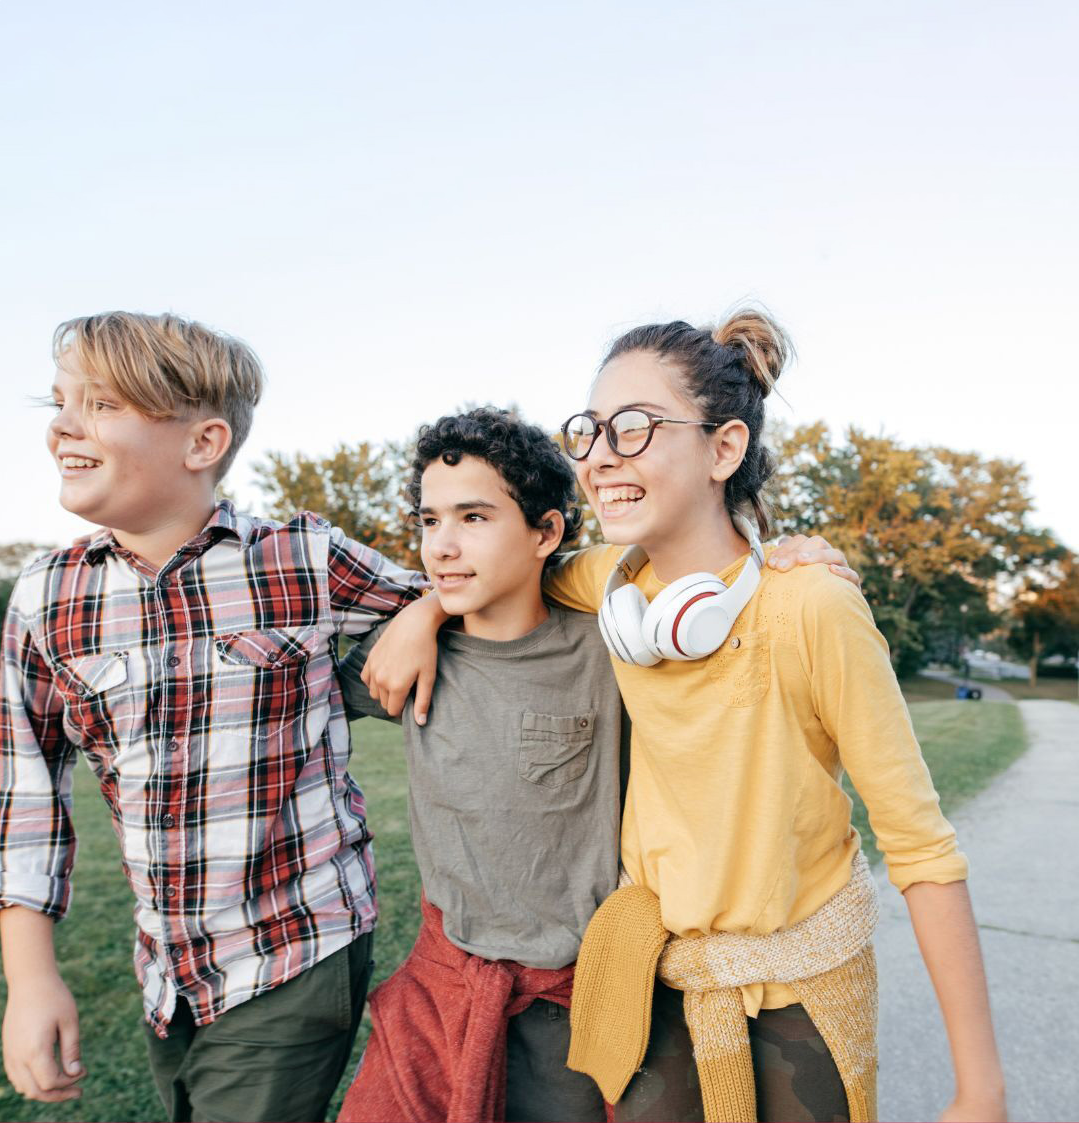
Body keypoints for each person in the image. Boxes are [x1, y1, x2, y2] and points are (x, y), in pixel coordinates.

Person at [361, 310, 1006, 1123]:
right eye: (590, 432)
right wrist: (424, 611)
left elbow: (921, 846)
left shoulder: (809, 607)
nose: (598, 457)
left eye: (632, 429)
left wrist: (980, 1087)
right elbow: (493, 566)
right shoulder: (608, 586)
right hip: (654, 983)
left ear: (724, 449)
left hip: (799, 987)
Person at [0, 312, 426, 1122]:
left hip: (299, 943)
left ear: (202, 444)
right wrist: (31, 977)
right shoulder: (46, 596)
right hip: (168, 967)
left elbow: (465, 589)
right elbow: (23, 795)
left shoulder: (299, 556)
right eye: (58, 402)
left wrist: (425, 613)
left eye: (100, 404)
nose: (61, 426)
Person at [336, 408, 616, 1123]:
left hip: (579, 1000)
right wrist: (423, 615)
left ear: (546, 532)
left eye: (474, 516)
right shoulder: (402, 658)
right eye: (429, 520)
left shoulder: (608, 652)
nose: (443, 545)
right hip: (447, 986)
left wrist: (801, 556)